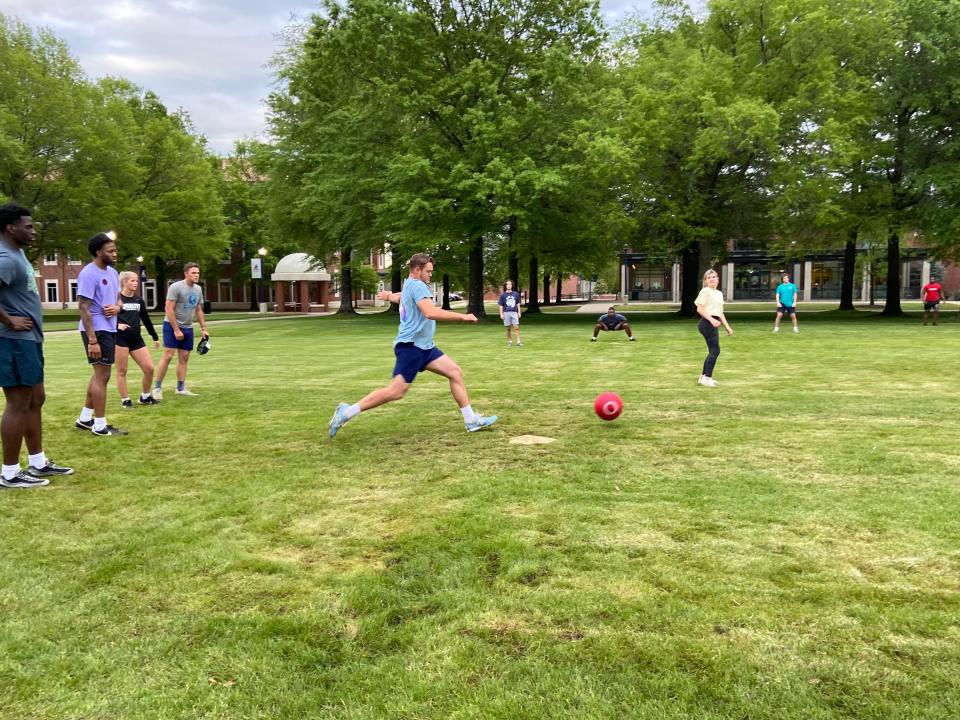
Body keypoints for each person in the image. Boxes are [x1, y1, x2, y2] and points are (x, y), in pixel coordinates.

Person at [328, 253, 497, 438]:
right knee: (396, 392)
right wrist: (463, 316)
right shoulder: (417, 285)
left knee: (454, 372)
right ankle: (345, 413)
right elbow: (430, 312)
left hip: (425, 347)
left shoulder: (410, 284)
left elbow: (402, 296)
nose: (430, 275)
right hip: (411, 347)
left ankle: (470, 419)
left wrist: (388, 295)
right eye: (428, 271)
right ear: (417, 270)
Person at [0, 204, 73, 487]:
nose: (33, 231)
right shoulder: (5, 257)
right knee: (17, 403)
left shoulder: (17, 254)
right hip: (14, 341)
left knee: (35, 399)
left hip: (30, 340)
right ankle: (8, 473)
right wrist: (9, 321)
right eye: (28, 226)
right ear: (11, 228)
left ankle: (38, 462)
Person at [75, 232, 127, 436]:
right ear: (98, 252)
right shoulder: (88, 274)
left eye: (115, 250)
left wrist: (117, 308)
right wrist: (92, 340)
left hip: (109, 327)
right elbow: (83, 306)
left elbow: (118, 300)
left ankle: (85, 419)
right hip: (96, 329)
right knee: (103, 375)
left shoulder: (113, 273)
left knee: (99, 375)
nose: (115, 254)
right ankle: (99, 425)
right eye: (110, 251)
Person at [153, 262, 208, 399]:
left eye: (197, 273)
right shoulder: (175, 287)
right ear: (186, 273)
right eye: (193, 273)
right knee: (168, 355)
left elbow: (198, 309)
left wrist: (203, 328)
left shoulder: (198, 289)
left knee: (184, 358)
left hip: (188, 327)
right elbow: (168, 310)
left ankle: (180, 388)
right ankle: (157, 388)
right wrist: (176, 330)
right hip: (171, 326)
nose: (196, 275)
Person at [116, 271, 160, 408]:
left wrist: (154, 337)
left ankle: (145, 397)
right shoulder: (116, 298)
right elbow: (104, 315)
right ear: (124, 282)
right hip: (120, 339)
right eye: (132, 281)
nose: (135, 283)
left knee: (149, 369)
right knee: (122, 371)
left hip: (136, 339)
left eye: (136, 281)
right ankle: (125, 400)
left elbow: (146, 320)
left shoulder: (138, 300)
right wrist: (117, 325)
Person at [695, 268, 733, 387]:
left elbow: (720, 313)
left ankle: (703, 377)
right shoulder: (705, 291)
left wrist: (727, 327)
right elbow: (699, 309)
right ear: (706, 280)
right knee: (715, 350)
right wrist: (711, 320)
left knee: (713, 350)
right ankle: (707, 378)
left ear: (718, 279)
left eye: (713, 277)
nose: (711, 279)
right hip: (706, 323)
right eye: (709, 277)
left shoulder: (719, 293)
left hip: (713, 322)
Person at [498, 279, 522, 347]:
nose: (509, 285)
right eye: (507, 284)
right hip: (506, 312)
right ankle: (510, 341)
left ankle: (518, 341)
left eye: (510, 284)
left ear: (512, 285)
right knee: (508, 328)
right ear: (505, 286)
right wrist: (501, 314)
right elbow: (501, 305)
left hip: (514, 312)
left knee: (516, 327)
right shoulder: (503, 295)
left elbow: (518, 304)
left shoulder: (516, 294)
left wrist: (519, 312)